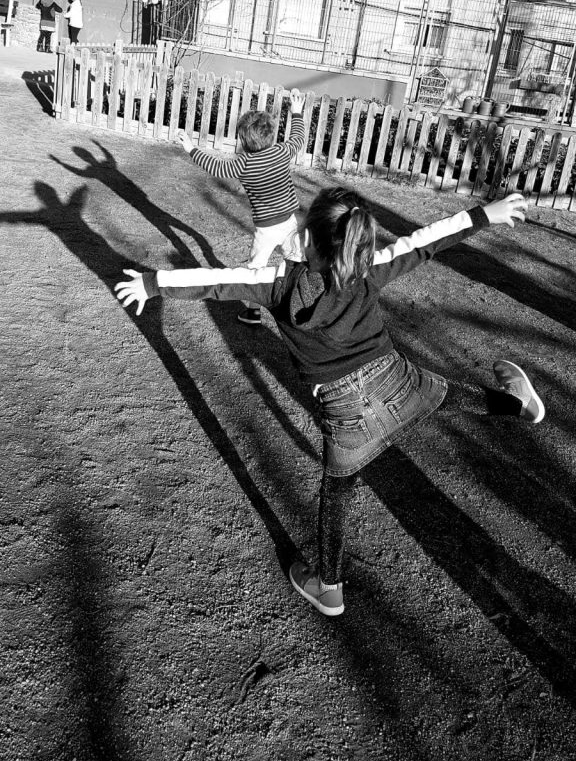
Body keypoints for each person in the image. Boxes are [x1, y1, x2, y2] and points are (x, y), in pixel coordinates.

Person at [115, 189, 544, 618]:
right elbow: (424, 242)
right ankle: (517, 404)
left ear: (306, 238)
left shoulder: (277, 283)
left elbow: (216, 281)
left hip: (344, 414)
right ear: (359, 241)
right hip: (396, 383)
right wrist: (483, 214)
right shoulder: (367, 269)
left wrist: (153, 283)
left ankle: (330, 588)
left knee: (336, 496)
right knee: (446, 395)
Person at [174, 89, 306, 326]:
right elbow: (298, 138)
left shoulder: (244, 164)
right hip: (289, 222)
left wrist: (191, 149)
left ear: (243, 141)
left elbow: (216, 167)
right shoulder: (281, 152)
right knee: (296, 260)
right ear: (271, 135)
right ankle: (300, 304)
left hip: (266, 229)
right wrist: (296, 112)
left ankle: (253, 312)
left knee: (256, 270)